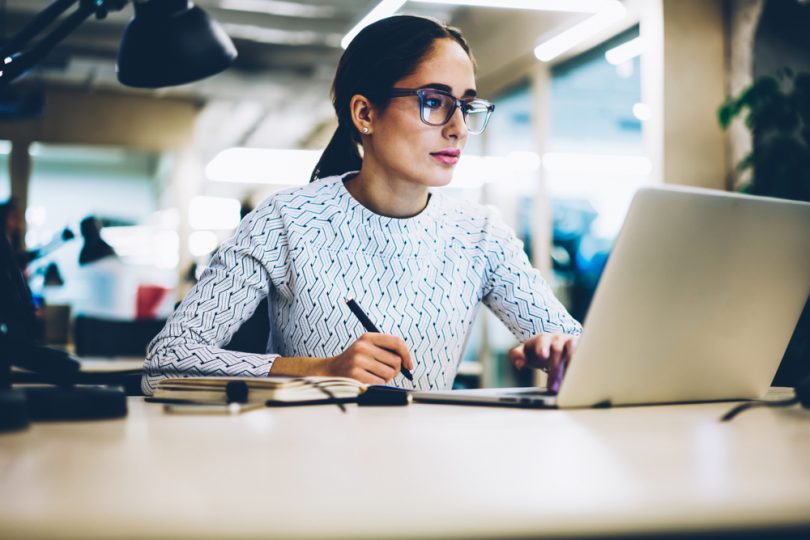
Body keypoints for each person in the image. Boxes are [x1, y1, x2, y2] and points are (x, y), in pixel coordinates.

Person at [143, 15, 582, 395]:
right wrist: (319, 370)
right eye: (434, 102)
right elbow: (165, 362)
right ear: (365, 114)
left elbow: (581, 350)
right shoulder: (285, 221)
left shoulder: (480, 234)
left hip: (431, 471)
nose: (458, 128)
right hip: (307, 467)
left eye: (466, 106)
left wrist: (561, 351)